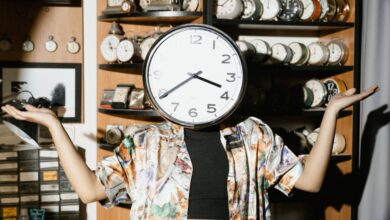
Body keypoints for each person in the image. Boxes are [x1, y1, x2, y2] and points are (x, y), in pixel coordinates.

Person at [1, 85, 379, 219]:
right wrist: (54, 125)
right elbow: (89, 191)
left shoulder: (253, 133)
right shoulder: (147, 142)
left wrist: (331, 113)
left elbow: (310, 182)